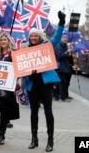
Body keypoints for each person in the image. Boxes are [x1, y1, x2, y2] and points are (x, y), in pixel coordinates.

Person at [24, 11, 65, 152]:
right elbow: (21, 67)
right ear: (29, 38)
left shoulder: (47, 46)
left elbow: (57, 38)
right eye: (32, 36)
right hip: (32, 84)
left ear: (40, 37)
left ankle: (50, 140)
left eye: (36, 35)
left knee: (48, 112)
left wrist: (61, 23)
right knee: (33, 112)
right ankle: (34, 139)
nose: (34, 37)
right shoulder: (25, 50)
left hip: (45, 84)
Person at [54, 34, 73, 102]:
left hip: (62, 66)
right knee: (62, 82)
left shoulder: (63, 45)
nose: (66, 39)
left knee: (61, 82)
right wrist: (67, 52)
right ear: (61, 38)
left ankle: (58, 96)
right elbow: (60, 56)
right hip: (60, 66)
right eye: (64, 38)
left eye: (66, 38)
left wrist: (68, 53)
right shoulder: (59, 45)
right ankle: (62, 97)